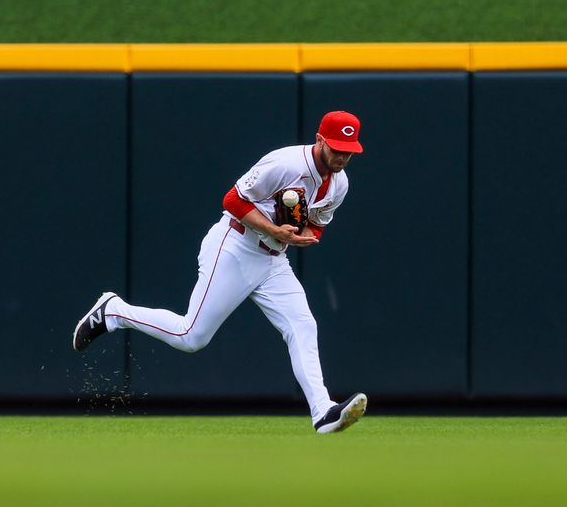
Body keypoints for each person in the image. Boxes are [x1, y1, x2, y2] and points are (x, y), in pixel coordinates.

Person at [73, 110, 367, 434]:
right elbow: (232, 200)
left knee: (302, 325)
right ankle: (114, 312)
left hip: (273, 261)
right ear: (320, 140)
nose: (341, 156)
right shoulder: (286, 164)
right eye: (336, 147)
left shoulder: (339, 185)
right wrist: (274, 227)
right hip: (235, 247)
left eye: (348, 150)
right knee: (190, 337)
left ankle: (323, 411)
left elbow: (316, 227)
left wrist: (299, 235)